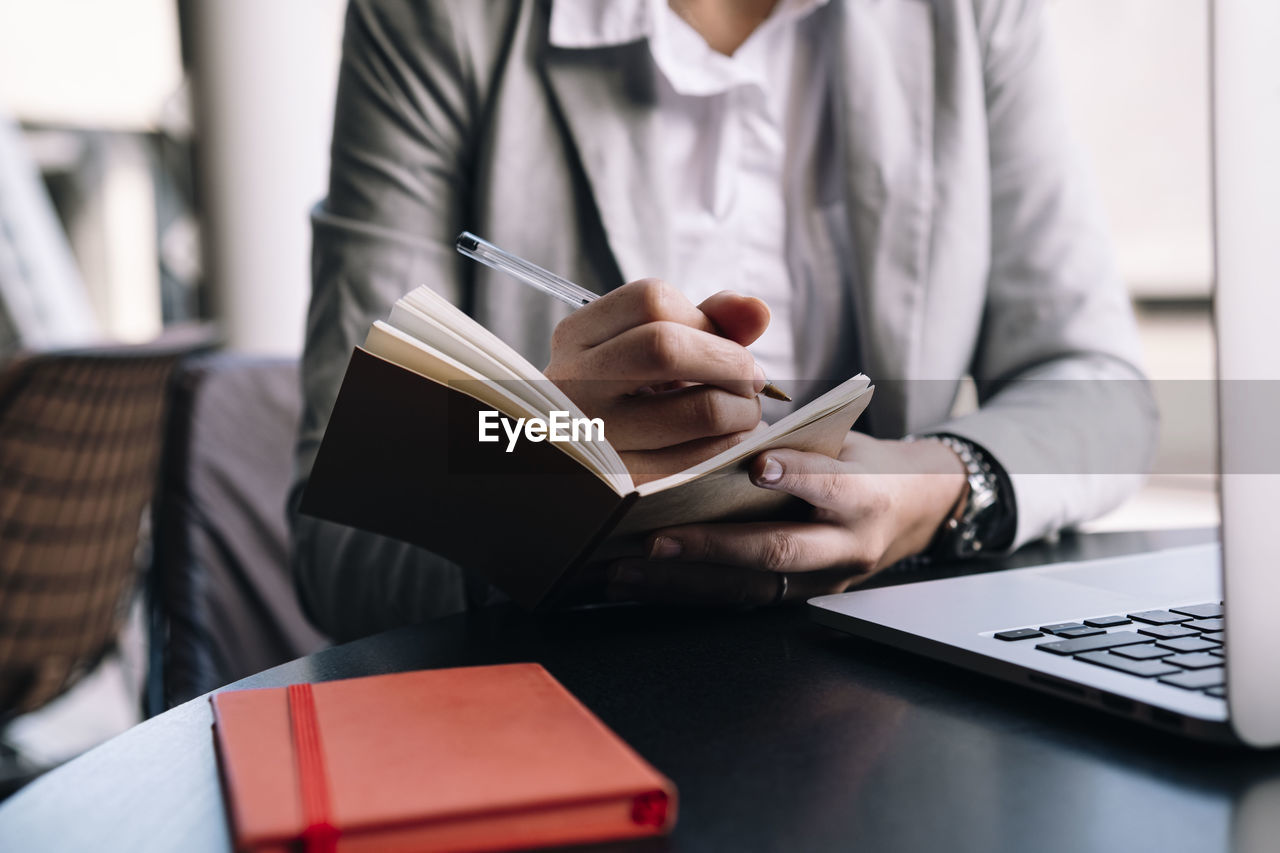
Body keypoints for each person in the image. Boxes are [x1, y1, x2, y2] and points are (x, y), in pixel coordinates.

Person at [291, 0, 1157, 641]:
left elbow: (1100, 390)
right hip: (567, 706)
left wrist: (937, 484)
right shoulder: (435, 19)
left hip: (893, 681)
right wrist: (545, 471)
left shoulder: (968, 16)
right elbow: (340, 542)